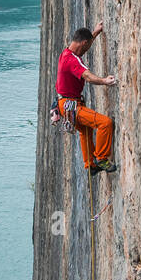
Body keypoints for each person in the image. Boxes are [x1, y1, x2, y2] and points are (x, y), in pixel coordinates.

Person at [54, 23, 117, 175]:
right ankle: (101, 158)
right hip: (71, 105)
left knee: (85, 131)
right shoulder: (72, 61)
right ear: (83, 43)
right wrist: (104, 81)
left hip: (65, 104)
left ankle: (90, 164)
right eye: (87, 44)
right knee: (105, 123)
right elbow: (87, 76)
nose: (87, 47)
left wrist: (94, 33)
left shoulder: (67, 54)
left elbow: (84, 45)